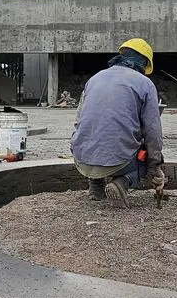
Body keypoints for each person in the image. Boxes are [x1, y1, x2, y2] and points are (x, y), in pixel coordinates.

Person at [70, 38, 166, 207]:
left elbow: (79, 121)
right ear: (144, 63)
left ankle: (96, 187)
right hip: (117, 162)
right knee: (146, 155)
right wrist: (155, 167)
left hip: (82, 159)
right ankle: (121, 184)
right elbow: (153, 133)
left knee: (99, 137)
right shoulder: (145, 84)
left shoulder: (94, 79)